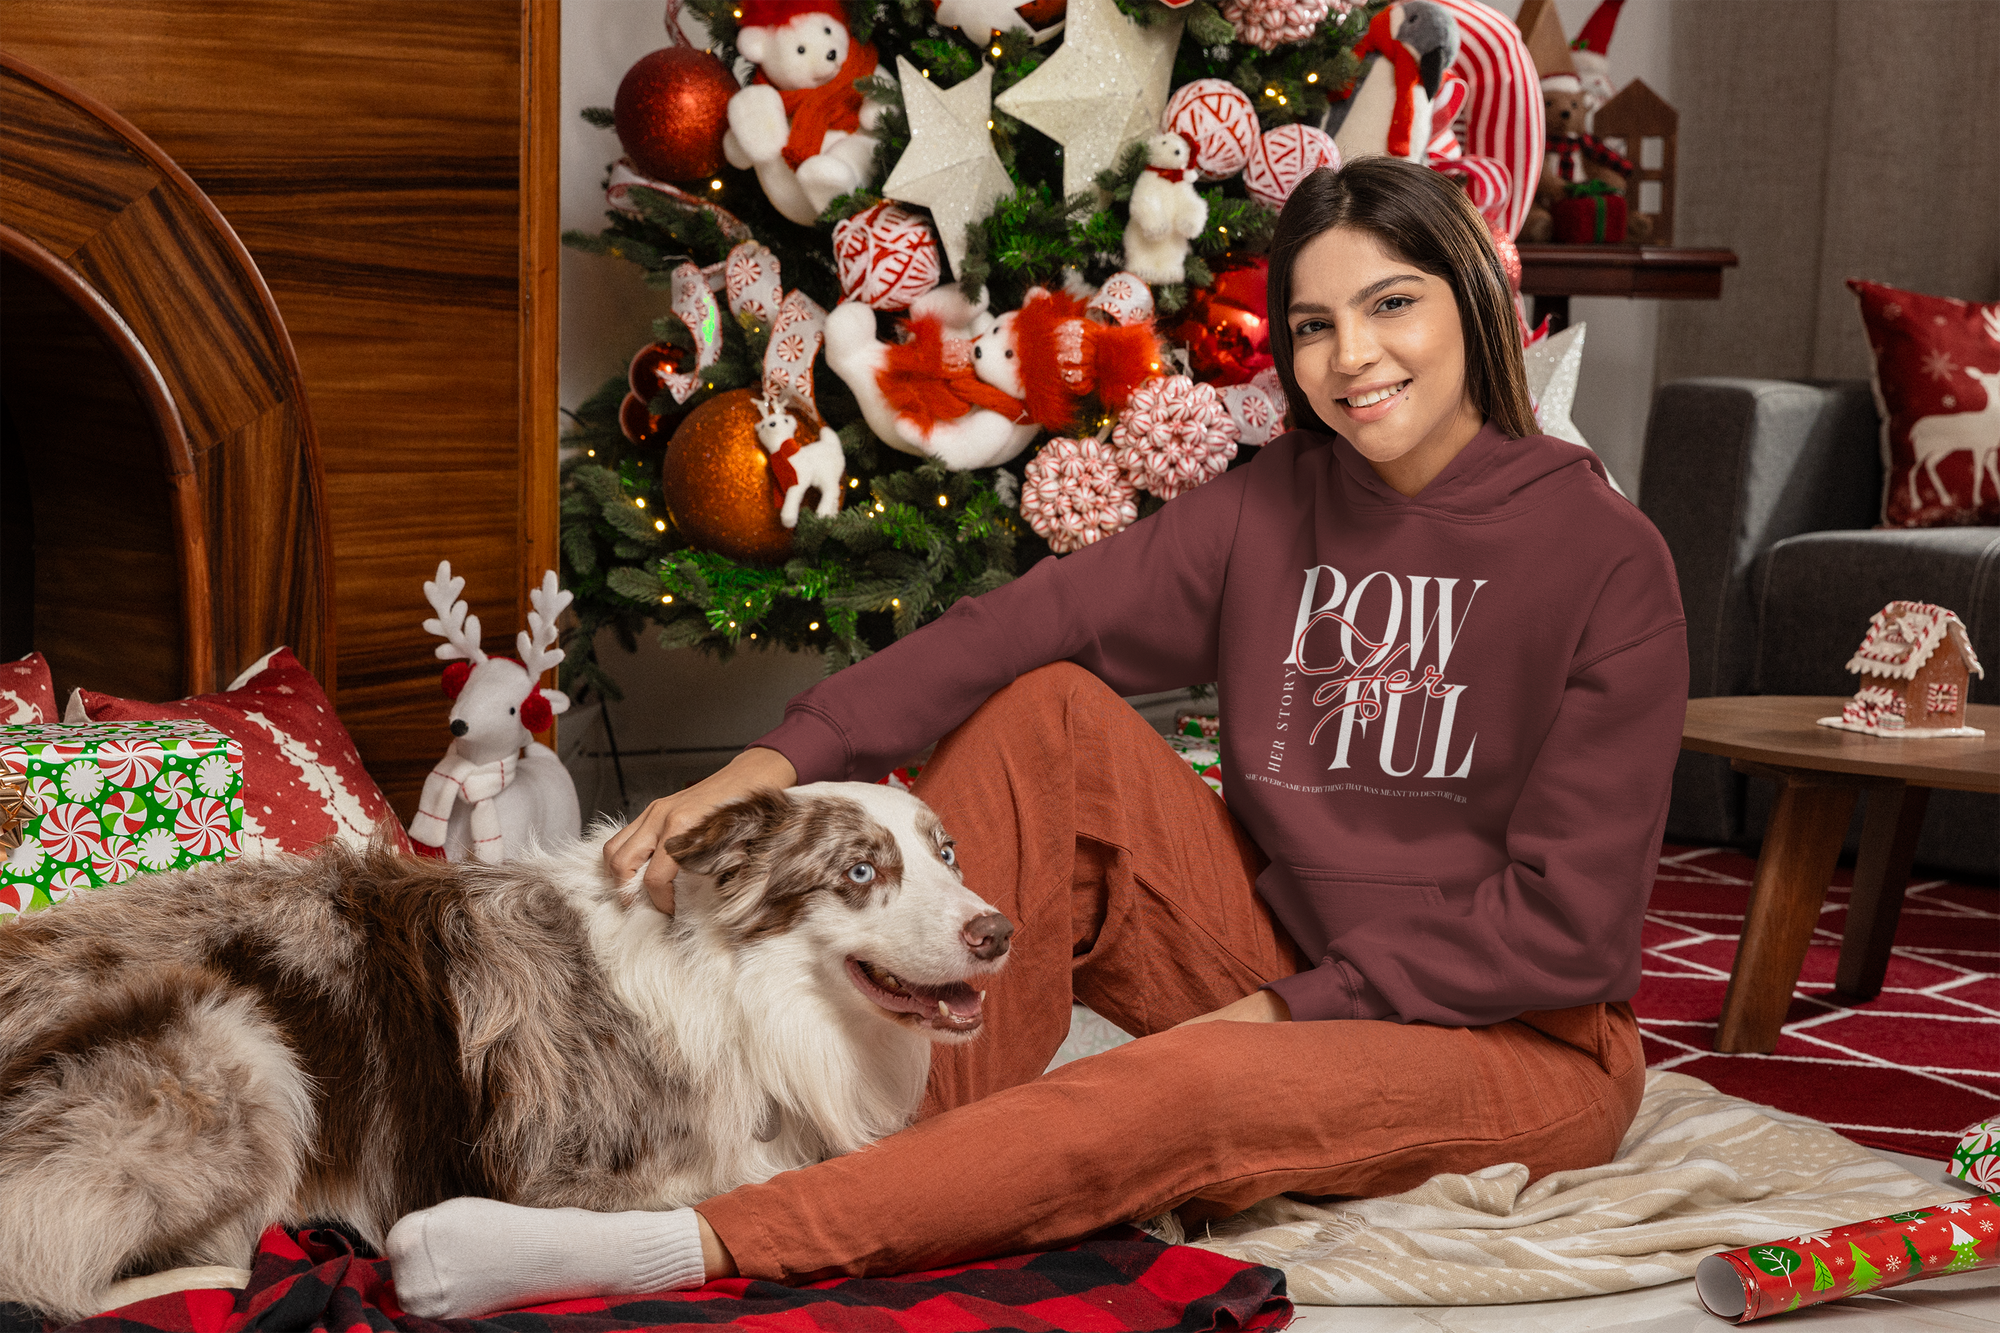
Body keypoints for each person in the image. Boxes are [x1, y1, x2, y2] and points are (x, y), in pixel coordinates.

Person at [386, 157, 1688, 1316]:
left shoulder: (1602, 561)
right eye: (1312, 324)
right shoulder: (1278, 509)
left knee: (1187, 1094)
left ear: (1471, 299)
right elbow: (1016, 626)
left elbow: (1563, 929)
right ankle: (921, 1170)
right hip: (1293, 945)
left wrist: (1277, 1016)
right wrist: (771, 761)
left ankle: (696, 1241)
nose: (1352, 358)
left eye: (1392, 304)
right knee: (1047, 711)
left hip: (1519, 1038)